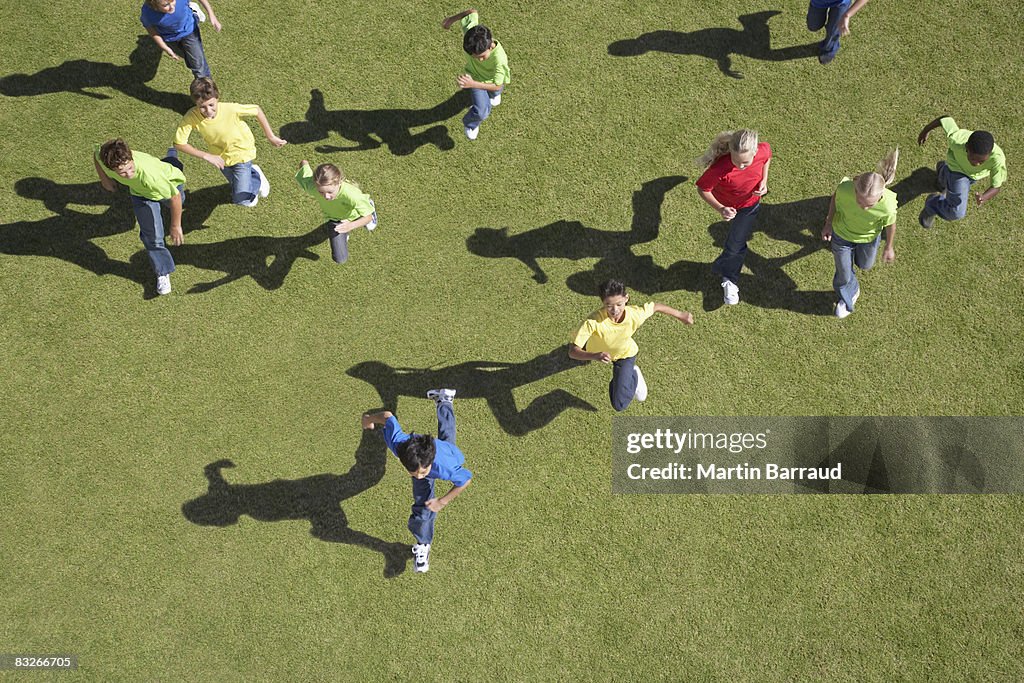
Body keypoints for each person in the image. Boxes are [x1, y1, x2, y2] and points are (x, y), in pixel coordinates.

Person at [361, 389, 472, 574]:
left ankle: (423, 545)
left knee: (447, 443)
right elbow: (388, 417)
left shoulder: (446, 466)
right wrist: (369, 419)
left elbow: (466, 480)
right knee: (446, 437)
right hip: (432, 452)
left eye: (423, 472)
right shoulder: (399, 444)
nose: (419, 476)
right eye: (413, 472)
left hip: (446, 455)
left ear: (430, 462)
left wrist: (442, 501)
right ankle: (445, 400)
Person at [569, 280, 694, 411]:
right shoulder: (593, 321)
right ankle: (623, 379)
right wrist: (594, 356)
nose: (615, 310)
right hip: (598, 353)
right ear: (602, 302)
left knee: (619, 405)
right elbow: (572, 351)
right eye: (609, 305)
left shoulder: (634, 315)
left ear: (626, 298)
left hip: (625, 355)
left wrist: (680, 315)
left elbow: (656, 307)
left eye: (619, 304)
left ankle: (634, 374)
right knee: (619, 392)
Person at [93, 139, 186, 295]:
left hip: (168, 182)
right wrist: (105, 179)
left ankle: (172, 160)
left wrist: (175, 226)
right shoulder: (106, 160)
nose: (129, 174)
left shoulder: (151, 176)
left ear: (132, 159)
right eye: (122, 172)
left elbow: (175, 198)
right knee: (153, 236)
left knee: (176, 202)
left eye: (130, 167)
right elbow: (96, 155)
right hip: (141, 194)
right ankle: (162, 271)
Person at [174, 78, 286, 207]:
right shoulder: (192, 117)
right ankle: (252, 174)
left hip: (241, 152)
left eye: (211, 105)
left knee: (243, 200)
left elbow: (256, 110)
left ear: (217, 98)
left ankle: (257, 179)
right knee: (236, 184)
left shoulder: (230, 109)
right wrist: (207, 156)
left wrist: (270, 136)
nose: (208, 111)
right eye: (202, 107)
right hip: (220, 157)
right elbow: (179, 143)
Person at [695, 129, 772, 305]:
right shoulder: (720, 167)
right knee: (735, 245)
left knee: (735, 244)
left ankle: (729, 279)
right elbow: (703, 189)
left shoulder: (762, 150)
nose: (740, 166)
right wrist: (721, 208)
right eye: (735, 161)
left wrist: (764, 181)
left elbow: (768, 157)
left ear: (754, 152)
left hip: (750, 205)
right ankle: (727, 272)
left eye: (745, 162)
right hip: (729, 206)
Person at [821, 149, 899, 318]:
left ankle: (849, 274)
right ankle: (849, 295)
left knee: (865, 265)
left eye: (869, 205)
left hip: (868, 239)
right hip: (841, 235)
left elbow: (890, 225)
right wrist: (828, 223)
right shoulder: (845, 189)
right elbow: (835, 199)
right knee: (843, 275)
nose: (863, 207)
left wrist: (889, 247)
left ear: (880, 197)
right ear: (855, 189)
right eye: (860, 201)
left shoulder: (888, 205)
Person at [917, 116, 1007, 229]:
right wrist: (926, 130)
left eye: (982, 161)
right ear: (967, 148)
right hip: (957, 170)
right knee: (956, 212)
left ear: (989, 154)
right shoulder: (957, 140)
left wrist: (984, 197)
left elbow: (996, 186)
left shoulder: (997, 159)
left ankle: (943, 172)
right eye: (973, 159)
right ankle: (932, 204)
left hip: (972, 176)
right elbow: (945, 119)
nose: (977, 164)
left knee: (947, 180)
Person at [442, 8, 510, 140]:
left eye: (482, 57)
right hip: (474, 77)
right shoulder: (473, 35)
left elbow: (497, 84)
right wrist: (451, 20)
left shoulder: (500, 60)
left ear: (490, 46)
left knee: (496, 90)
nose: (479, 60)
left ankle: (493, 96)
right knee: (482, 112)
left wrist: (472, 84)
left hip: (488, 81)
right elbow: (472, 12)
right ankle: (470, 124)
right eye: (474, 57)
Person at [294, 161, 377, 264]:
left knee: (366, 214)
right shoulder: (312, 186)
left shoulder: (352, 195)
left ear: (339, 182)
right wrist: (304, 163)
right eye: (321, 192)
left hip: (354, 216)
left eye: (330, 192)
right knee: (340, 259)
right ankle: (345, 229)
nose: (326, 196)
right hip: (334, 219)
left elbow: (368, 218)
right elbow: (304, 163)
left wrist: (350, 226)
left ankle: (369, 206)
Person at [140, 0, 220, 81]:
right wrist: (165, 47)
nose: (172, 6)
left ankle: (207, 90)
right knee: (189, 59)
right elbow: (151, 30)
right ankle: (194, 12)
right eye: (166, 5)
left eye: (173, 1)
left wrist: (211, 14)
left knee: (199, 67)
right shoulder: (147, 13)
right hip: (169, 37)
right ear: (155, 7)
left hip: (189, 30)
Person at [806, 0, 851, 65]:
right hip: (818, 2)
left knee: (833, 30)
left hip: (841, 3)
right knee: (813, 26)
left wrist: (847, 15)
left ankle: (829, 50)